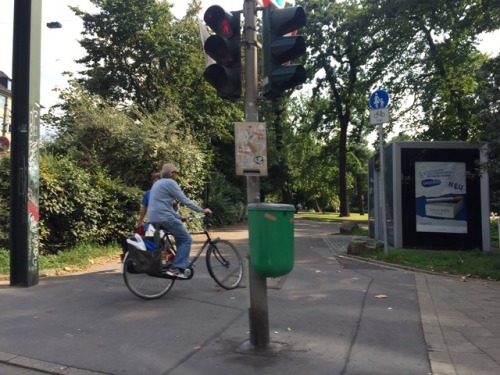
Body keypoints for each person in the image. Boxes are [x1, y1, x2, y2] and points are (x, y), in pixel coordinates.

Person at [146, 163, 212, 278]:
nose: (177, 176)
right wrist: (201, 210)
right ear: (172, 174)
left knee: (179, 237)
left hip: (153, 218)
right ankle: (175, 268)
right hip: (164, 217)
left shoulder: (158, 184)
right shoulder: (170, 182)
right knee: (186, 239)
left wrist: (178, 217)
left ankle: (179, 261)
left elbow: (165, 206)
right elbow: (184, 200)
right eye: (176, 173)